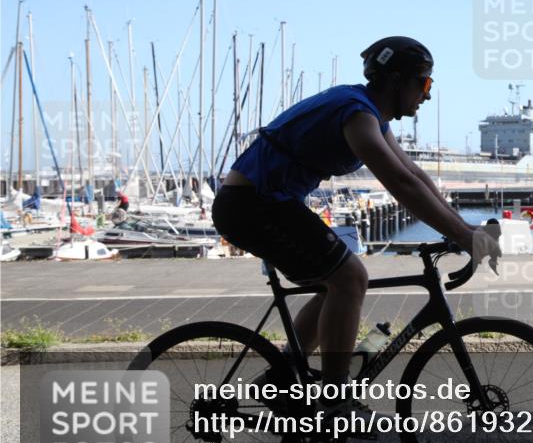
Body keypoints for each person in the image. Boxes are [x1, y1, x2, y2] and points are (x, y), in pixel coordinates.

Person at [212, 36, 502, 412]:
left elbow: (412, 173)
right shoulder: (356, 115)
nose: (427, 95)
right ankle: (336, 403)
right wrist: (462, 235)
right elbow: (398, 184)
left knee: (335, 282)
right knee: (350, 277)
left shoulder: (372, 115)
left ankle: (281, 376)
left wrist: (464, 228)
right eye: (425, 83)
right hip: (252, 206)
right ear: (397, 81)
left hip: (267, 203)